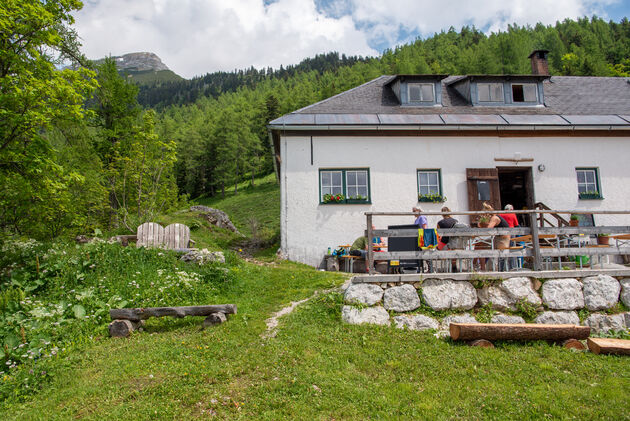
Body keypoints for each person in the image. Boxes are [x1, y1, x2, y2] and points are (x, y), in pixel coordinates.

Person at [482, 202, 511, 271]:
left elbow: (489, 229)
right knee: (488, 249)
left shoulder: (494, 218)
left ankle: (494, 270)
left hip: (503, 239)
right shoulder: (494, 217)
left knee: (494, 253)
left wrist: (484, 222)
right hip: (499, 238)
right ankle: (490, 269)